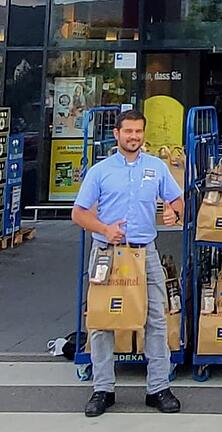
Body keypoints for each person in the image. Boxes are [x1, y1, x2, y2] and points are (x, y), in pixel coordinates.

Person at [72, 110, 183, 417]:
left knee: (157, 320)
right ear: (117, 134)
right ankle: (103, 389)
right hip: (107, 253)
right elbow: (78, 213)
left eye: (138, 131)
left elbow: (177, 200)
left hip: (145, 253)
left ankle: (158, 388)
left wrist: (175, 211)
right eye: (128, 131)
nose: (134, 136)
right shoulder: (100, 171)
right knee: (101, 321)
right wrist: (105, 229)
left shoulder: (156, 167)